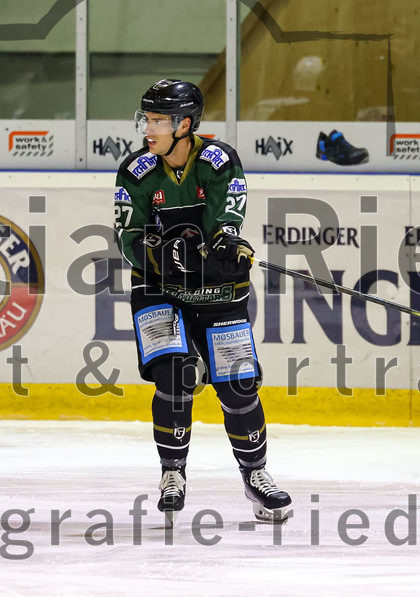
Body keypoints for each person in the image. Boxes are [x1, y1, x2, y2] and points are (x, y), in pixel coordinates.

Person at [113, 79, 292, 525]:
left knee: (238, 384)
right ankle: (172, 472)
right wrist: (164, 257)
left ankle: (256, 475)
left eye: (157, 121)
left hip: (215, 291)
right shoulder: (134, 171)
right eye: (146, 119)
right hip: (156, 289)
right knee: (173, 374)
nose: (147, 128)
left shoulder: (218, 161)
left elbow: (224, 224)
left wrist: (228, 248)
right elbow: (128, 237)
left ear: (185, 124)